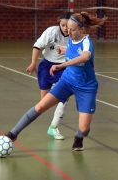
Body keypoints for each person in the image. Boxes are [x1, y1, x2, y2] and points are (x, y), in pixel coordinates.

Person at [5, 11, 107, 151]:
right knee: (41, 106)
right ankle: (13, 133)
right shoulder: (71, 39)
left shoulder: (87, 42)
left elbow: (83, 57)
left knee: (84, 128)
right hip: (67, 81)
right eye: (68, 29)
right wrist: (64, 50)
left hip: (86, 87)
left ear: (82, 29)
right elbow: (72, 48)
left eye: (72, 30)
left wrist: (62, 65)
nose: (69, 32)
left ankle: (78, 137)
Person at [26, 11, 73, 140]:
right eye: (63, 25)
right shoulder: (51, 32)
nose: (65, 28)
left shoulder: (74, 36)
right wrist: (33, 63)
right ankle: (56, 90)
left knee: (65, 97)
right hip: (46, 66)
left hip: (63, 67)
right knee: (44, 103)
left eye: (68, 26)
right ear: (59, 23)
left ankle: (53, 127)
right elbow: (37, 46)